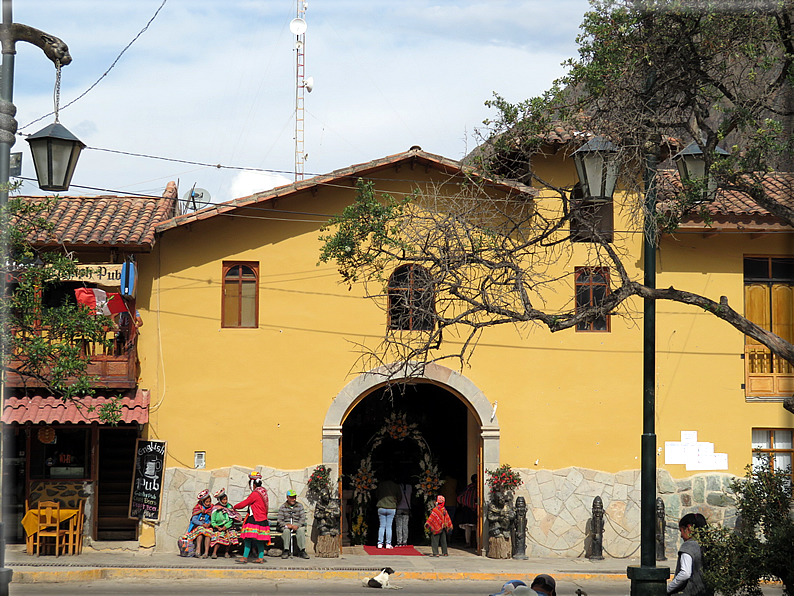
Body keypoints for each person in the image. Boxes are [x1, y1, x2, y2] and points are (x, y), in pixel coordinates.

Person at [667, 513, 711, 595]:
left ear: (689, 528)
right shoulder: (708, 545)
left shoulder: (688, 546)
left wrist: (667, 589)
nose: (681, 536)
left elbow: (685, 573)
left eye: (681, 531)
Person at [233, 471, 271, 564]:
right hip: (262, 520)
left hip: (255, 519)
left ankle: (245, 557)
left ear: (252, 484)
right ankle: (260, 557)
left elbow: (245, 503)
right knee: (259, 539)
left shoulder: (255, 494)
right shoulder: (263, 492)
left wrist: (234, 507)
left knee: (247, 538)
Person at [277, 489, 309, 559]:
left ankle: (302, 550)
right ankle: (286, 550)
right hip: (287, 524)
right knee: (286, 531)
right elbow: (280, 520)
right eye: (291, 497)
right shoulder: (283, 507)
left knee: (301, 530)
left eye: (294, 497)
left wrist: (297, 525)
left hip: (296, 524)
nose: (293, 499)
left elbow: (302, 518)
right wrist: (286, 525)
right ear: (287, 498)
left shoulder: (299, 506)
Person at [209, 487, 240, 559]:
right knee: (219, 535)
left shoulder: (229, 507)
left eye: (226, 499)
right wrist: (217, 527)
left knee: (231, 534)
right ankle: (214, 552)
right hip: (218, 527)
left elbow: (231, 519)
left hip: (228, 527)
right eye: (223, 500)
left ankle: (227, 552)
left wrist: (225, 527)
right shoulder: (215, 509)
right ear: (220, 500)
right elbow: (213, 521)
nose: (225, 501)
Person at [182, 490, 213, 558]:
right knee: (200, 533)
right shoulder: (198, 508)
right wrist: (202, 524)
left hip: (207, 527)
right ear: (203, 502)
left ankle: (206, 552)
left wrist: (209, 524)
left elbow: (212, 519)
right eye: (206, 502)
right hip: (197, 526)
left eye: (209, 502)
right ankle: (198, 550)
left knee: (208, 534)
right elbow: (194, 520)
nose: (208, 503)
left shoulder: (211, 509)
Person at [375, 474, 402, 549]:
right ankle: (388, 543)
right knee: (389, 526)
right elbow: (400, 497)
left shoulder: (381, 485)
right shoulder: (396, 486)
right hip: (391, 507)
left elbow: (376, 494)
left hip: (381, 506)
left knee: (382, 526)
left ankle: (380, 543)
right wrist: (395, 503)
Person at [457, 474, 477, 548]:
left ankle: (468, 542)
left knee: (468, 527)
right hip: (476, 509)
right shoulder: (479, 488)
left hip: (467, 509)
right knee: (477, 526)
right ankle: (477, 543)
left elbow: (459, 498)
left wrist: (466, 503)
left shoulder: (468, 488)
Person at [439, 475, 457, 541]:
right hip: (452, 503)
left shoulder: (443, 482)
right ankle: (449, 536)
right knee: (450, 520)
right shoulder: (454, 481)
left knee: (443, 521)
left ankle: (444, 537)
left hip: (444, 503)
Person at [394, 479, 412, 547]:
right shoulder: (410, 487)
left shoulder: (398, 486)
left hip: (399, 507)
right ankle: (405, 541)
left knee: (399, 526)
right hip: (407, 508)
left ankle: (399, 541)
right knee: (405, 526)